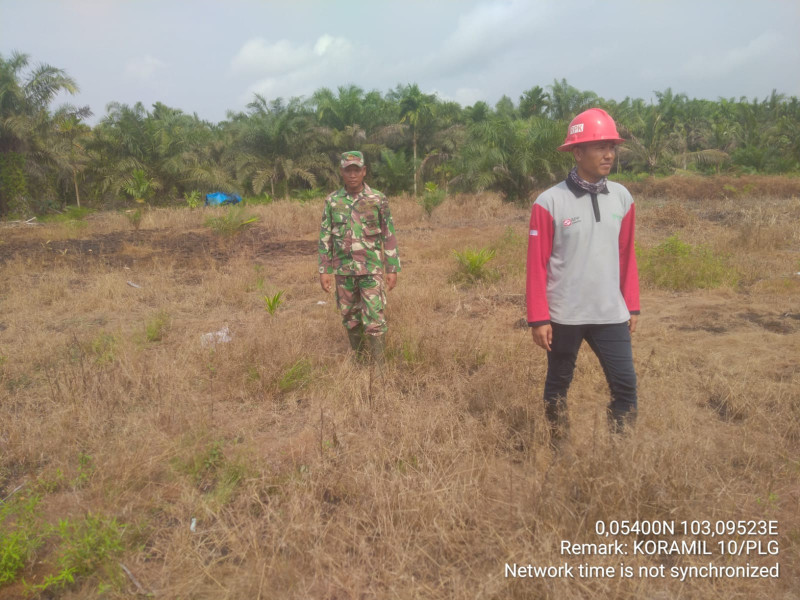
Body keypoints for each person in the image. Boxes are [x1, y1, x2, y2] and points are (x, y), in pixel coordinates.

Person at [526, 108, 640, 445]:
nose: (609, 154)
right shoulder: (549, 202)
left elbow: (626, 255)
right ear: (577, 152)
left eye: (612, 147)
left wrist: (631, 306)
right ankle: (560, 450)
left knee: (626, 387)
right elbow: (537, 266)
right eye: (599, 147)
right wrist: (538, 318)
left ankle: (618, 455)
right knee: (558, 387)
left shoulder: (623, 198)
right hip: (564, 316)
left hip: (610, 314)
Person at [318, 151, 401, 365]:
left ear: (364, 171)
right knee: (350, 319)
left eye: (357, 170)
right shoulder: (332, 201)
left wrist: (392, 268)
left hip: (371, 270)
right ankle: (361, 362)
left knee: (375, 319)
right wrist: (324, 270)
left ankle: (379, 370)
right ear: (341, 172)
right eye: (348, 170)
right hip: (344, 272)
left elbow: (388, 234)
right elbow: (325, 237)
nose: (352, 174)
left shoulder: (378, 199)